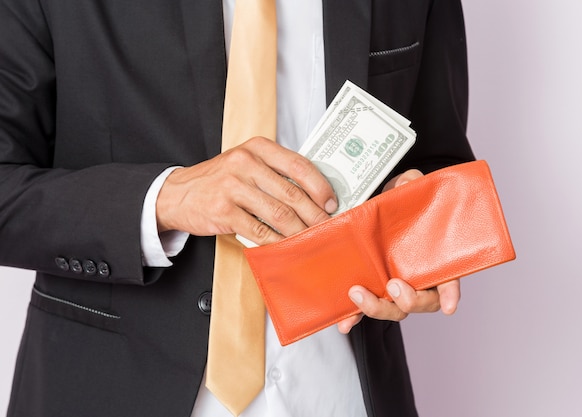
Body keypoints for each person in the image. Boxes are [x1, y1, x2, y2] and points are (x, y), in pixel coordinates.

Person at [0, 0, 475, 416]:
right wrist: (169, 197)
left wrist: (417, 232)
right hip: (110, 389)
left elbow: (436, 161)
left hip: (341, 393)